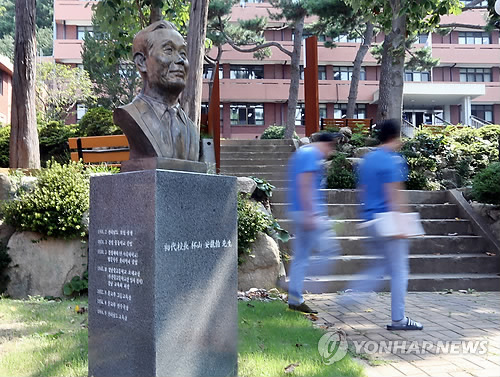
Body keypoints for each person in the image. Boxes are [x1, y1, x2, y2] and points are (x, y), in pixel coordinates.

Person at [346, 119, 423, 330]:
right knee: (399, 270)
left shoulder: (368, 159)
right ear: (396, 136)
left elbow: (361, 191)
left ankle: (352, 295)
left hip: (371, 220)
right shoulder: (393, 160)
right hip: (389, 222)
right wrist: (403, 224)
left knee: (380, 265)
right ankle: (398, 319)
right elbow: (394, 194)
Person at [114, 20, 199, 162]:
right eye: (168, 50)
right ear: (142, 62)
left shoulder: (191, 129)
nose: (180, 60)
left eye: (183, 53)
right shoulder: (131, 115)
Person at [287, 132, 341, 314]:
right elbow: (305, 184)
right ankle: (298, 288)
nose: (330, 152)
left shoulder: (302, 153)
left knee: (301, 256)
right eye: (331, 147)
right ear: (327, 144)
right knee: (330, 250)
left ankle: (295, 297)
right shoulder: (311, 155)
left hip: (299, 210)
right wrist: (311, 213)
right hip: (308, 213)